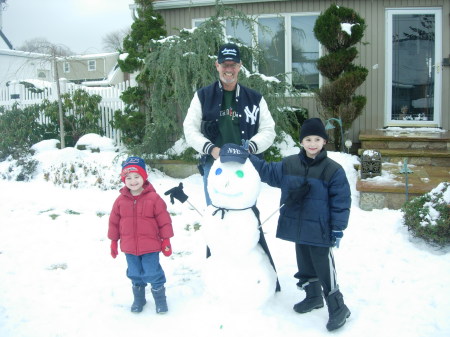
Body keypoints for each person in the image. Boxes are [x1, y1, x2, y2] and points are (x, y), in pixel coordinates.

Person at [248, 118, 351, 331]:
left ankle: (338, 307)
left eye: (317, 139)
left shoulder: (333, 170)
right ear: (301, 142)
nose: (312, 143)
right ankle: (313, 296)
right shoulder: (289, 164)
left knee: (324, 266)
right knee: (304, 262)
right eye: (307, 139)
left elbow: (341, 201)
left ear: (324, 141)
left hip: (321, 229)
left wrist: (338, 228)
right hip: (299, 226)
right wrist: (248, 156)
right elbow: (267, 171)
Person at [183, 42, 276, 206]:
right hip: (214, 167)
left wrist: (250, 147)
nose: (229, 69)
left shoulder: (255, 98)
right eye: (225, 64)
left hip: (247, 167)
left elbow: (268, 130)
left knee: (245, 216)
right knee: (215, 216)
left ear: (240, 66)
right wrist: (211, 149)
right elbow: (190, 129)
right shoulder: (202, 96)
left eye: (233, 65)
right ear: (217, 65)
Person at [108, 156, 174, 314]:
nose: (133, 181)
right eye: (128, 178)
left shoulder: (154, 199)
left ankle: (160, 299)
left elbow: (164, 220)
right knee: (134, 273)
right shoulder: (120, 201)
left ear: (144, 177)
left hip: (151, 246)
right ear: (124, 179)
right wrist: (113, 241)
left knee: (152, 272)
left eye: (137, 176)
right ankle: (139, 298)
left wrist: (166, 240)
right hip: (129, 247)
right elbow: (114, 222)